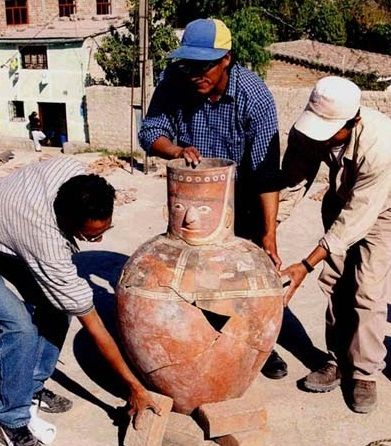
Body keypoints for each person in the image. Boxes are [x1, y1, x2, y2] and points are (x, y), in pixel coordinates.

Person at [139, 18, 287, 380]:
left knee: (242, 280)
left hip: (244, 197)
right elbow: (150, 132)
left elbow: (267, 171)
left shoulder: (254, 96)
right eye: (189, 65)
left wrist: (269, 233)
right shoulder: (174, 81)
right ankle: (197, 344)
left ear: (226, 60)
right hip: (192, 196)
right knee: (193, 274)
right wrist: (174, 150)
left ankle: (255, 348)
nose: (195, 74)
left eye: (204, 66)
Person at [0, 157, 160, 446]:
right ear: (66, 223)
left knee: (58, 307)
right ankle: (11, 419)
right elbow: (95, 326)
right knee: (20, 327)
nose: (97, 242)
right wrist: (133, 387)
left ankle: (30, 388)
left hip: (8, 221)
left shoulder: (75, 173)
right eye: (90, 236)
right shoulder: (45, 241)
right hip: (11, 231)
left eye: (104, 232)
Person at [280, 76, 391, 413]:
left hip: (382, 210)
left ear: (352, 121)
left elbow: (357, 220)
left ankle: (364, 372)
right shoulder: (307, 132)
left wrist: (304, 264)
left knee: (367, 291)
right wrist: (266, 235)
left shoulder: (379, 144)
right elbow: (294, 184)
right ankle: (338, 359)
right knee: (336, 283)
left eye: (329, 130)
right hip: (340, 201)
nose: (320, 136)